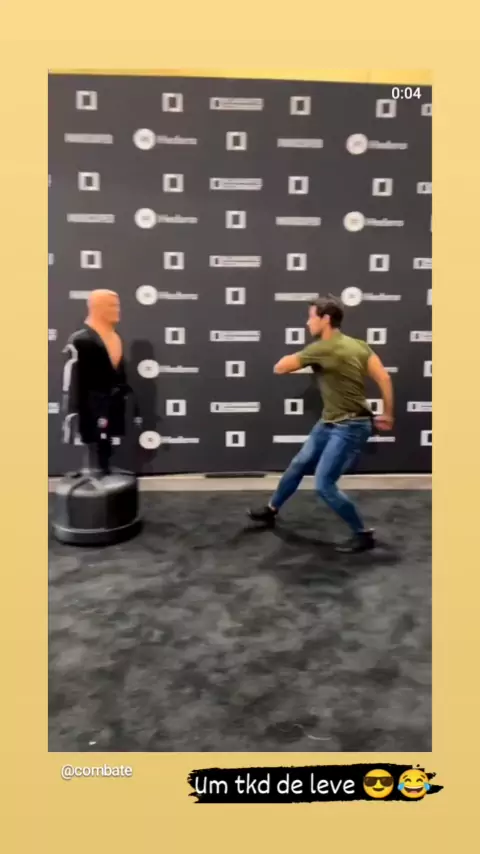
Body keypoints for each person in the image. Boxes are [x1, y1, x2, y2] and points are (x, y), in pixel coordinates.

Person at [248, 295, 394, 553]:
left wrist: (306, 357)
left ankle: (363, 534)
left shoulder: (322, 348)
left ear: (325, 319)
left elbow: (280, 367)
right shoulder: (358, 345)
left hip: (349, 426)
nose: (307, 323)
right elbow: (384, 378)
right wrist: (389, 414)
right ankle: (271, 509)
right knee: (299, 464)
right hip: (331, 421)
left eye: (311, 317)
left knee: (324, 484)